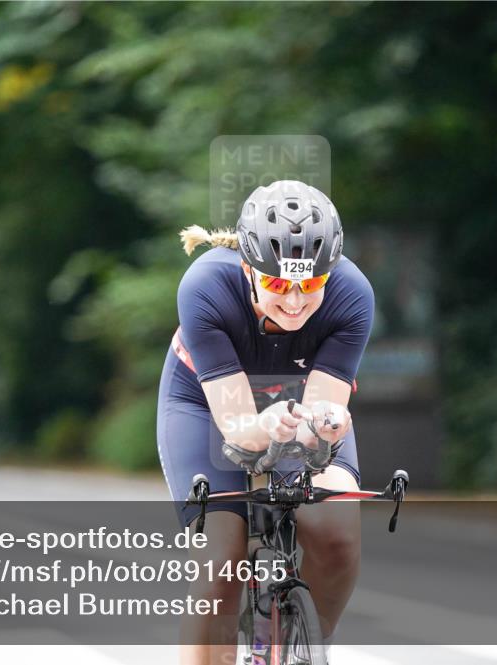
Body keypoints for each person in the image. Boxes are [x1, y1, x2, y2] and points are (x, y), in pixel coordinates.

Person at [156, 180, 375, 665]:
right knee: (219, 562)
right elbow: (237, 430)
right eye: (277, 284)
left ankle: (306, 645)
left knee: (336, 527)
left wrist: (326, 426)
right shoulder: (205, 286)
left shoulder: (352, 295)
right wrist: (265, 423)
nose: (294, 301)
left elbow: (322, 416)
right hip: (206, 403)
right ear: (247, 267)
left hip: (297, 401)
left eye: (310, 284)